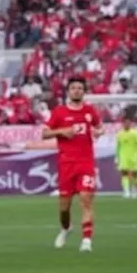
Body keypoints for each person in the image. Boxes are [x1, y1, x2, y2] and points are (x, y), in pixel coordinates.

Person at [43, 77, 102, 252]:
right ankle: (66, 228)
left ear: (84, 91)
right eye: (73, 88)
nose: (77, 90)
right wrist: (62, 131)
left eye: (80, 88)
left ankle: (86, 241)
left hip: (86, 163)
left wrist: (98, 132)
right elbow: (45, 134)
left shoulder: (90, 111)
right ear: (68, 91)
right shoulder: (59, 112)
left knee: (86, 200)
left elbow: (100, 127)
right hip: (66, 164)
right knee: (64, 207)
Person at [114, 114, 137, 199]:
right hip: (123, 157)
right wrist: (116, 157)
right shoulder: (119, 134)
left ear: (131, 123)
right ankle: (126, 191)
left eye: (128, 123)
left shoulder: (135, 133)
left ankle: (134, 190)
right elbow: (117, 146)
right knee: (124, 174)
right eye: (125, 123)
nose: (127, 124)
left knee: (135, 175)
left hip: (134, 157)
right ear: (123, 124)